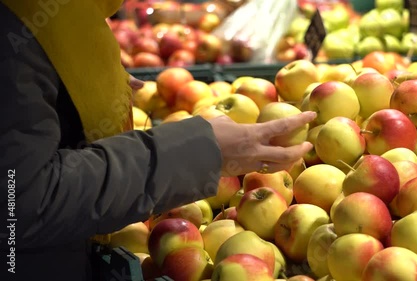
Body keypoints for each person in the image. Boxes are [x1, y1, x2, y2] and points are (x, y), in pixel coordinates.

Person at [0, 1, 315, 280]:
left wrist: (80, 93)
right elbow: (19, 201)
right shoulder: (14, 28)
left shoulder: (55, 19)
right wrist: (198, 152)